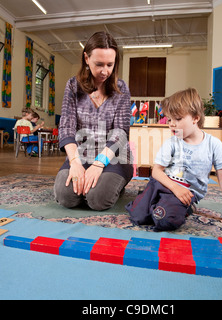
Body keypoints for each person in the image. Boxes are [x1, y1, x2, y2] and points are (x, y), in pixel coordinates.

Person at [125, 88, 222, 231]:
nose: (171, 124)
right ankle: (150, 200)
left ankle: (173, 206)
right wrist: (175, 188)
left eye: (178, 119)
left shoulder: (213, 144)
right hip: (162, 183)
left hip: (186, 193)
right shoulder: (171, 143)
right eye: (169, 119)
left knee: (164, 220)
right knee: (137, 216)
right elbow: (157, 172)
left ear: (195, 118)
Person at [54, 31, 133, 211]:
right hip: (80, 155)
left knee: (97, 199)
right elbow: (66, 127)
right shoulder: (73, 85)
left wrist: (98, 165)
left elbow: (120, 133)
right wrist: (75, 163)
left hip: (113, 157)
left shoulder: (121, 88)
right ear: (86, 59)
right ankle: (90, 184)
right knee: (65, 196)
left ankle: (111, 185)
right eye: (99, 64)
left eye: (110, 65)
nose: (105, 71)